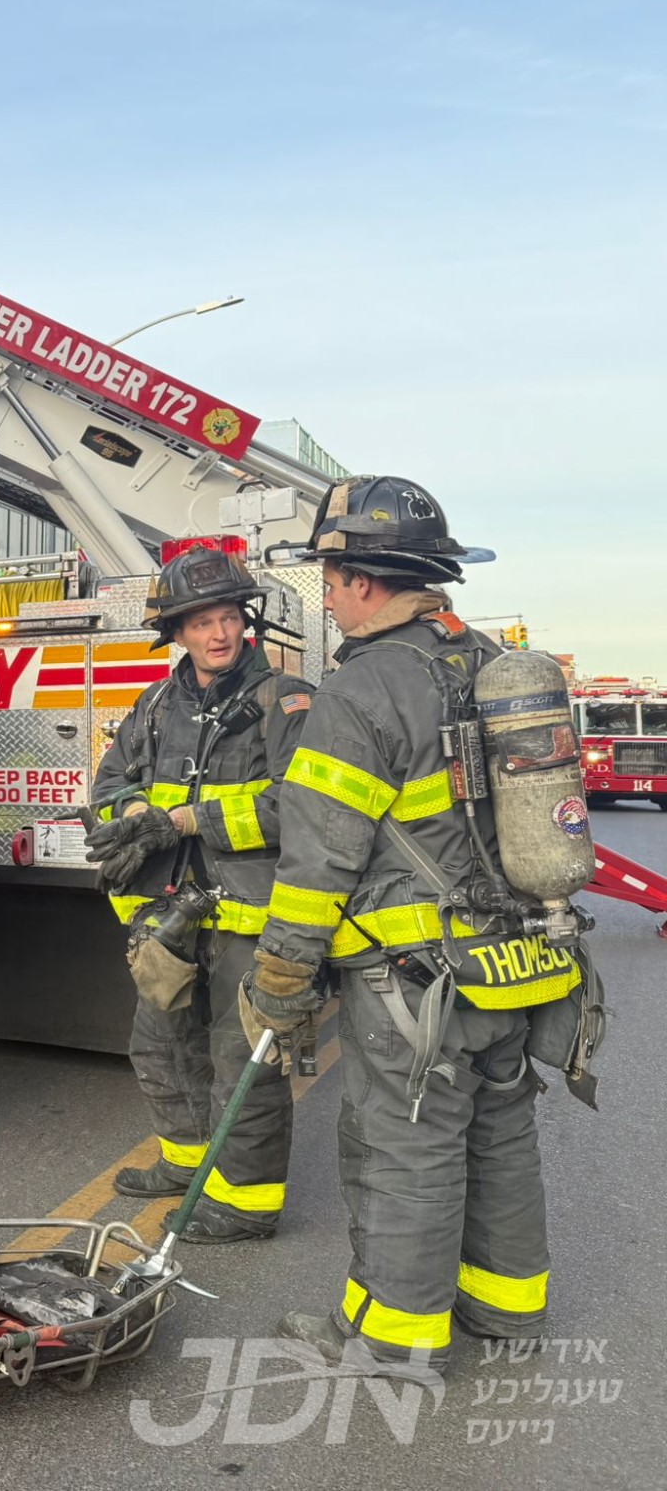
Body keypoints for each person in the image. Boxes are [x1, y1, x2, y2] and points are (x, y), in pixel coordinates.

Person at [245, 477, 569, 1374]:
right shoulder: (495, 666)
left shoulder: (359, 692)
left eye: (331, 575)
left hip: (414, 979)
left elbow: (318, 863)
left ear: (363, 581)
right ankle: (507, 1311)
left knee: (407, 1145)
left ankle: (394, 1342)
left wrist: (279, 978)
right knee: (501, 1127)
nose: (329, 593)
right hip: (517, 955)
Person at [85, 547, 315, 1244]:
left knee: (240, 1059)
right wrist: (132, 818)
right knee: (159, 1043)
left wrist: (185, 819)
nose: (218, 634)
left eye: (228, 618)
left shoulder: (288, 704)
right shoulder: (156, 705)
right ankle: (187, 1162)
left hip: (249, 915)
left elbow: (296, 806)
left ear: (246, 624)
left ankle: (246, 1201)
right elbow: (109, 785)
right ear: (177, 633)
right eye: (199, 622)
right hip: (169, 914)